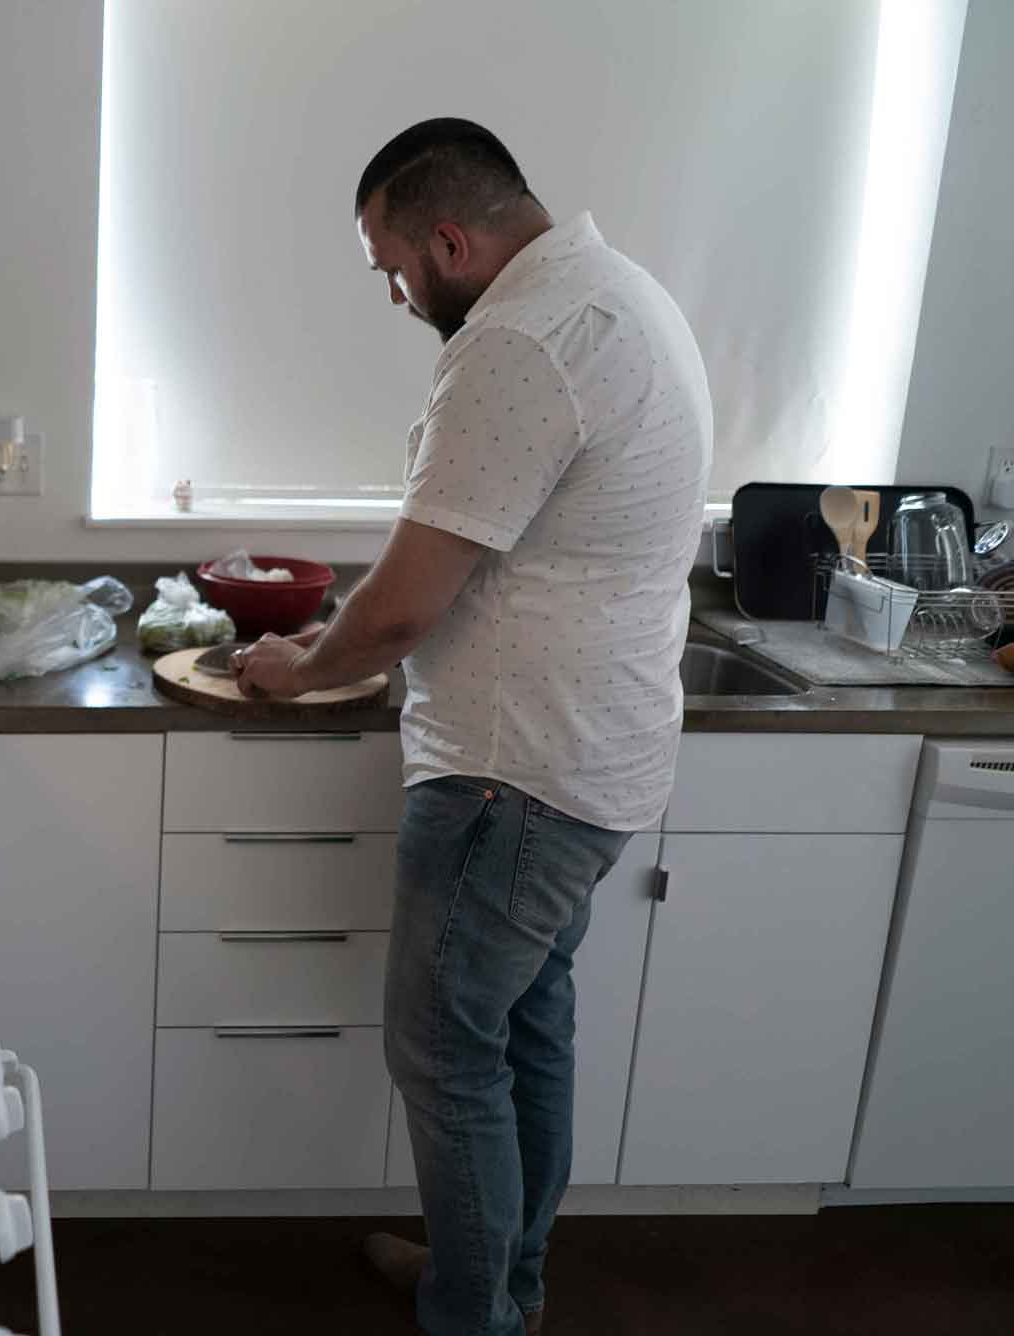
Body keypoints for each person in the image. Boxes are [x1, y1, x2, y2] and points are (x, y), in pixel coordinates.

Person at [235, 118, 711, 1336]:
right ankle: (499, 1279)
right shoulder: (617, 293)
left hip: (512, 778)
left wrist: (301, 664)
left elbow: (398, 612)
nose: (395, 295)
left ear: (449, 238)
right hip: (590, 768)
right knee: (525, 1035)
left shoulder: (518, 342)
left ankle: (474, 1312)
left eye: (391, 268)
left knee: (448, 1060)